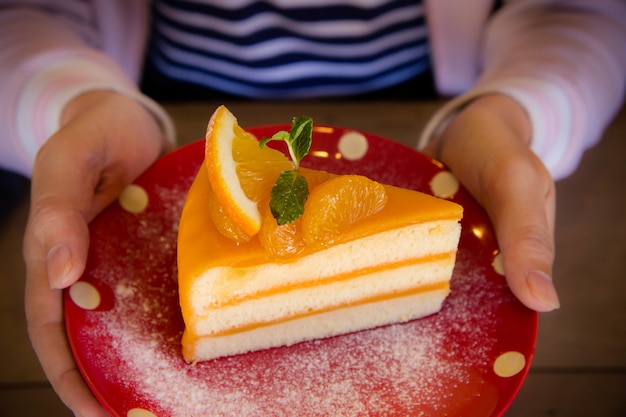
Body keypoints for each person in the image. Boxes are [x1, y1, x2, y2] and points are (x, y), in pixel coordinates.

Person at [1, 1, 624, 415]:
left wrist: (516, 107)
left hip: (431, 83)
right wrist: (73, 99)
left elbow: (580, 13)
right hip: (168, 84)